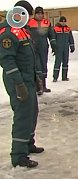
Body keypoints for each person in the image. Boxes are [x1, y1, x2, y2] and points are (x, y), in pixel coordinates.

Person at [0, 0, 45, 168]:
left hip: (28, 79)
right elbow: (7, 60)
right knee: (23, 116)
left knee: (32, 112)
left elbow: (29, 57)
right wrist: (19, 84)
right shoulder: (7, 32)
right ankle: (18, 155)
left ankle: (28, 143)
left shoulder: (22, 31)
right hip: (18, 81)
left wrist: (37, 78)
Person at [27, 6, 56, 94]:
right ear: (35, 14)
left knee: (43, 66)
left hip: (44, 47)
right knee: (37, 66)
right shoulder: (29, 23)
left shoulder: (47, 23)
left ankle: (44, 86)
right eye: (38, 14)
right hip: (33, 47)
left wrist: (54, 45)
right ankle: (38, 87)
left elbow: (51, 35)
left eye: (41, 14)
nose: (39, 15)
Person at [52, 16, 75, 82]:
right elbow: (53, 39)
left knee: (65, 62)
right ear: (59, 21)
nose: (63, 23)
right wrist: (54, 47)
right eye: (62, 21)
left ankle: (64, 77)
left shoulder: (68, 29)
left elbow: (71, 38)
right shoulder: (55, 29)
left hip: (66, 48)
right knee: (57, 62)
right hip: (58, 48)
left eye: (64, 21)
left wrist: (72, 46)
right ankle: (55, 77)